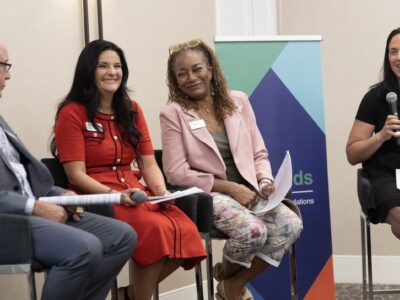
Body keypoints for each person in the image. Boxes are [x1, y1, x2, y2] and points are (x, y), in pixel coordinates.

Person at [52, 39, 206, 300]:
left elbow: (148, 163)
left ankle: (130, 296)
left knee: (186, 229)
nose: (112, 71)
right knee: (154, 229)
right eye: (103, 66)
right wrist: (115, 196)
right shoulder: (72, 112)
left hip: (135, 191)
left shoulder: (132, 110)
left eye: (117, 65)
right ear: (88, 71)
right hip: (97, 197)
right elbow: (75, 175)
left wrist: (161, 192)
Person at [160, 38, 303, 300]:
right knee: (253, 231)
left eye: (197, 69)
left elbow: (259, 153)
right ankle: (230, 284)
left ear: (211, 69)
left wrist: (264, 181)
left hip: (250, 191)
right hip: (209, 195)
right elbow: (175, 172)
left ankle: (230, 282)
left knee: (291, 224)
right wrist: (229, 188)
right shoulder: (174, 113)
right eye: (182, 74)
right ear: (175, 80)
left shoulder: (237, 101)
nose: (191, 78)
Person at [0, 40, 137, 300]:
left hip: (34, 208)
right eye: (4, 65)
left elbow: (23, 178)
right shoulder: (72, 112)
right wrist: (38, 207)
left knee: (122, 236)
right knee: (85, 248)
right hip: (10, 220)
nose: (9, 74)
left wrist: (60, 194)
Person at [347, 28, 400, 236]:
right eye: (393, 51)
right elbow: (352, 154)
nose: (398, 57)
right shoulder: (376, 98)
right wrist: (381, 136)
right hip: (384, 177)